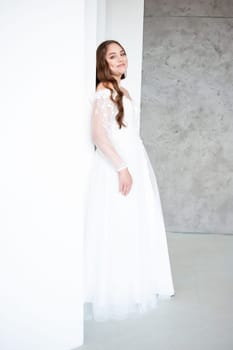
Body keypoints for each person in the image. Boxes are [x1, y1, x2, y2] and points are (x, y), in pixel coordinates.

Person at [84, 40, 175, 322]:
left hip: (134, 160)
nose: (121, 58)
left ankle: (139, 280)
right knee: (118, 221)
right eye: (113, 56)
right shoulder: (103, 92)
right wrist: (122, 167)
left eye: (122, 53)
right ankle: (116, 286)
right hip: (117, 165)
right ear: (104, 63)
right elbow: (99, 135)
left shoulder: (123, 90)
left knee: (137, 220)